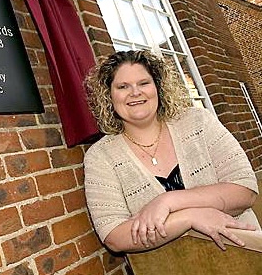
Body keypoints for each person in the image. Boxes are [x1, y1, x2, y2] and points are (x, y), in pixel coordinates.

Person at [83, 50, 260, 253]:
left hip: (246, 255)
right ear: (109, 96)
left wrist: (168, 201)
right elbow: (114, 235)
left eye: (143, 83)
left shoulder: (198, 122)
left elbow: (245, 190)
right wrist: (189, 217)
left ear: (157, 87)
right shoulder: (100, 156)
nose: (135, 92)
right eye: (123, 86)